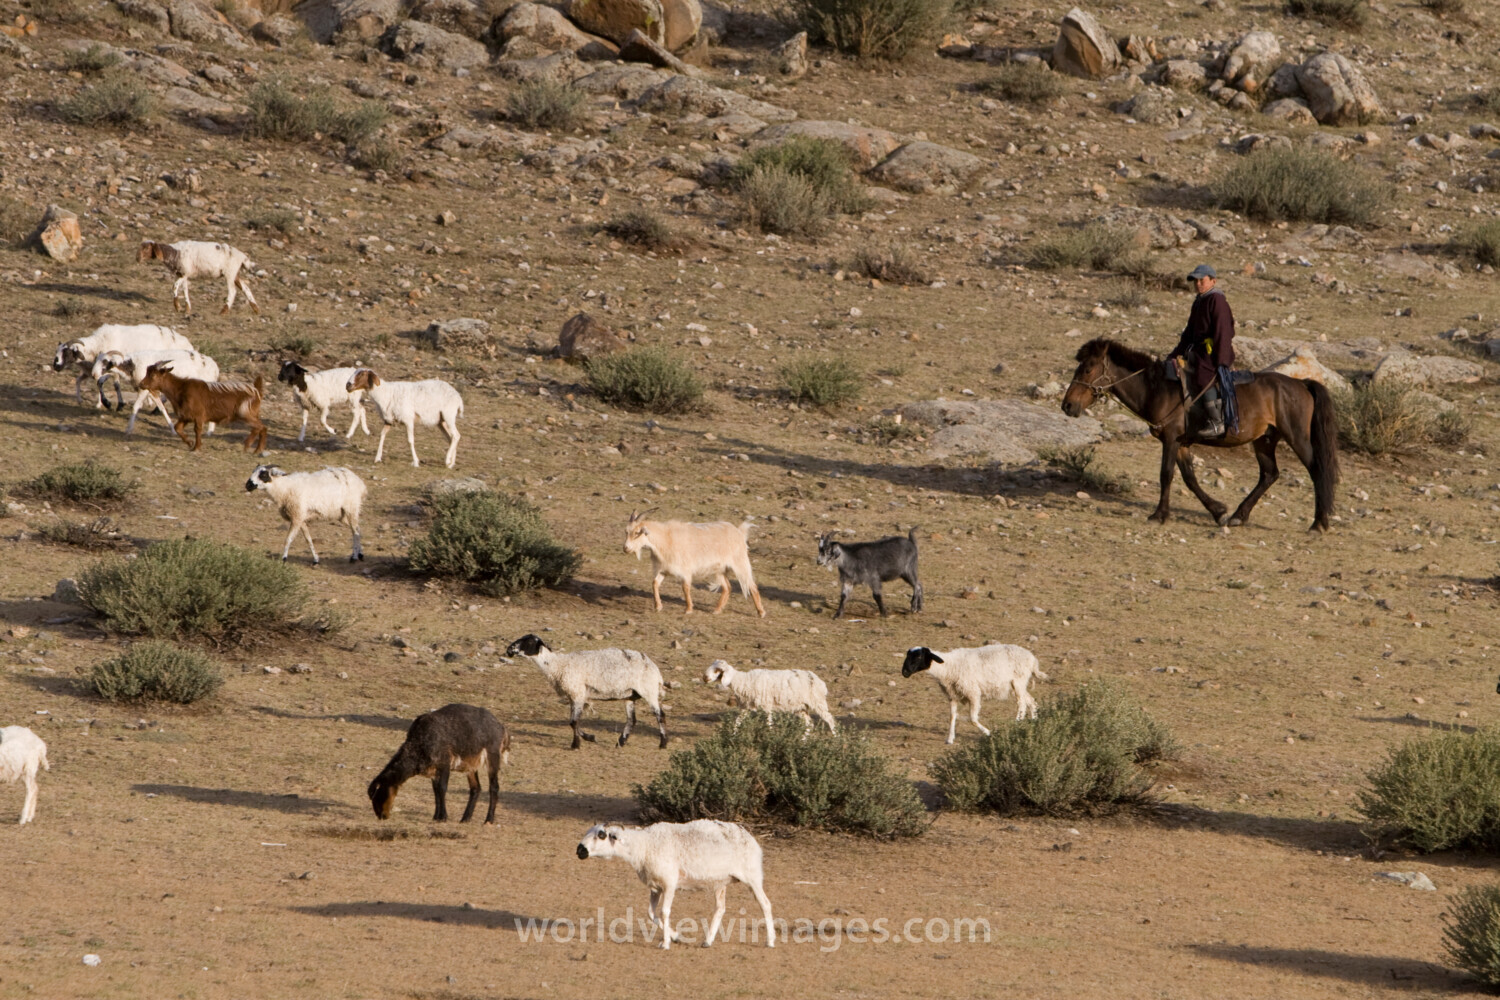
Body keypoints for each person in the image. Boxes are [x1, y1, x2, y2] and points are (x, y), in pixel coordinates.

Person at [1167, 263, 1235, 437]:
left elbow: (1223, 332)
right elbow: (1189, 332)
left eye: (1201, 280)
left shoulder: (1216, 300)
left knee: (1203, 375)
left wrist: (1221, 361)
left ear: (1213, 280)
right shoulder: (1199, 301)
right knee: (1169, 369)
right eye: (1195, 281)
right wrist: (1175, 354)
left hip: (1213, 352)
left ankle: (1216, 422)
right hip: (1198, 350)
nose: (1198, 284)